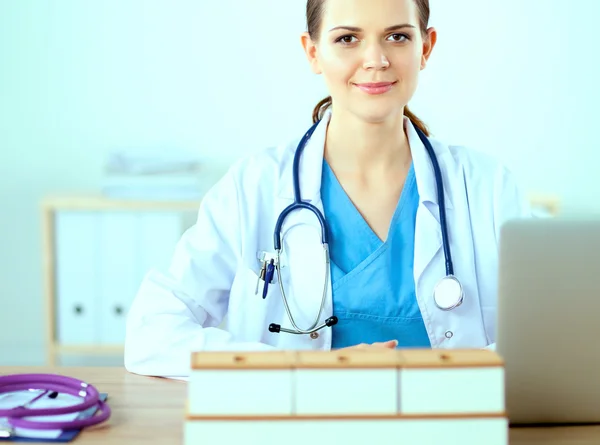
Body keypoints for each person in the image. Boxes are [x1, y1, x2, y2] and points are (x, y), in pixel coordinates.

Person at [124, 0, 531, 378]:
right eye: (347, 39)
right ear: (313, 51)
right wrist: (309, 368)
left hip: (449, 424)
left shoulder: (488, 187)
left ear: (426, 46)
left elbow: (551, 333)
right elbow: (152, 332)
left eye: (398, 36)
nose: (376, 59)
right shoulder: (255, 186)